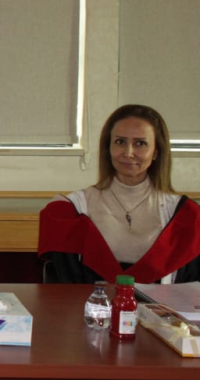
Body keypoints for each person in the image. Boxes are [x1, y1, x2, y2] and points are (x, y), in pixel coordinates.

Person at [39, 104, 200, 284]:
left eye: (140, 143)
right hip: (91, 302)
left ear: (156, 152)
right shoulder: (74, 209)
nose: (128, 153)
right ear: (108, 148)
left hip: (161, 303)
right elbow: (67, 288)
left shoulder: (185, 216)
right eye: (120, 142)